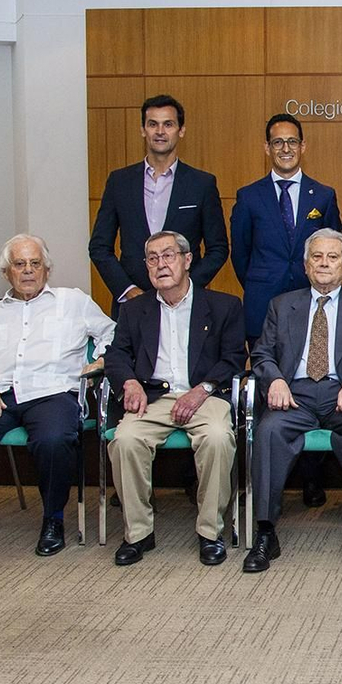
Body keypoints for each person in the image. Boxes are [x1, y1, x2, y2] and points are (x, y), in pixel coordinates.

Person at [0, 235, 115, 568]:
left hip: (53, 391)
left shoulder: (72, 301)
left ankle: (53, 518)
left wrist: (100, 361)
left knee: (54, 439)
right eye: (19, 264)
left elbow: (112, 333)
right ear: (7, 272)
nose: (28, 271)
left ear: (47, 269)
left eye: (35, 264)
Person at [246, 229, 342, 574]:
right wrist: (276, 379)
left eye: (332, 257)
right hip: (293, 394)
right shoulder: (282, 305)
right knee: (268, 431)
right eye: (317, 257)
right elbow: (262, 354)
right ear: (305, 264)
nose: (324, 263)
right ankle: (266, 532)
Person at [103, 231, 246, 567]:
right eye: (152, 258)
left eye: (168, 255)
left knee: (216, 438)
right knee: (125, 439)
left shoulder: (223, 306)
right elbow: (116, 355)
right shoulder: (134, 309)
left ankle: (210, 533)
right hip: (152, 396)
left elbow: (234, 358)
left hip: (205, 394)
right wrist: (129, 384)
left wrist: (204, 389)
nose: (160, 264)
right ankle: (138, 534)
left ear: (187, 260)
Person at [231, 111, 342, 507]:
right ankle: (273, 487)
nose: (285, 148)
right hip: (265, 309)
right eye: (277, 142)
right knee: (274, 392)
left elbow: (332, 246)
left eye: (292, 141)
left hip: (318, 308)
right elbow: (240, 255)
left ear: (303, 146)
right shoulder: (249, 196)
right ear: (267, 148)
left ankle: (312, 481)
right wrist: (263, 288)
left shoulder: (323, 195)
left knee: (313, 384)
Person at [89, 94, 228, 313]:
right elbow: (99, 247)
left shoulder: (202, 184)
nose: (160, 132)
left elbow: (218, 249)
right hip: (131, 304)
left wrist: (186, 288)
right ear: (143, 130)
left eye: (168, 124)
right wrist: (127, 290)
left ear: (181, 130)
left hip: (186, 304)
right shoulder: (119, 181)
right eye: (153, 124)